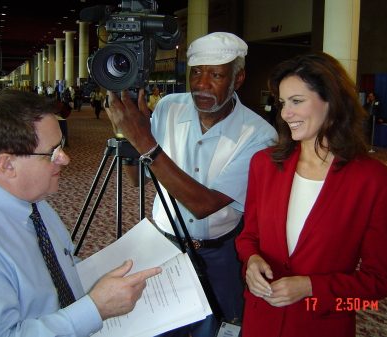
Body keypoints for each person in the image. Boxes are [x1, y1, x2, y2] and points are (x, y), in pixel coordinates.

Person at [105, 32, 277, 337]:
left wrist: (144, 141)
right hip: (162, 247)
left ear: (238, 79)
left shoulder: (258, 134)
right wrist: (126, 137)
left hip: (219, 254)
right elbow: (136, 179)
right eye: (196, 73)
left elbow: (204, 205)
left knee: (214, 328)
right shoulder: (170, 107)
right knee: (156, 327)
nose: (201, 84)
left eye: (215, 75)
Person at [0, 90, 161, 337]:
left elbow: (59, 266)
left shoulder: (32, 202)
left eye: (61, 146)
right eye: (52, 152)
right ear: (7, 165)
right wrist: (96, 308)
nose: (65, 159)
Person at [235, 51, 387, 337]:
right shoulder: (264, 164)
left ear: (331, 102)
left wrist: (311, 288)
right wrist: (251, 261)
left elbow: (379, 284)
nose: (285, 113)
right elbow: (249, 236)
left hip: (320, 326)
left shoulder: (373, 181)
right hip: (260, 321)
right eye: (283, 103)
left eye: (297, 101)